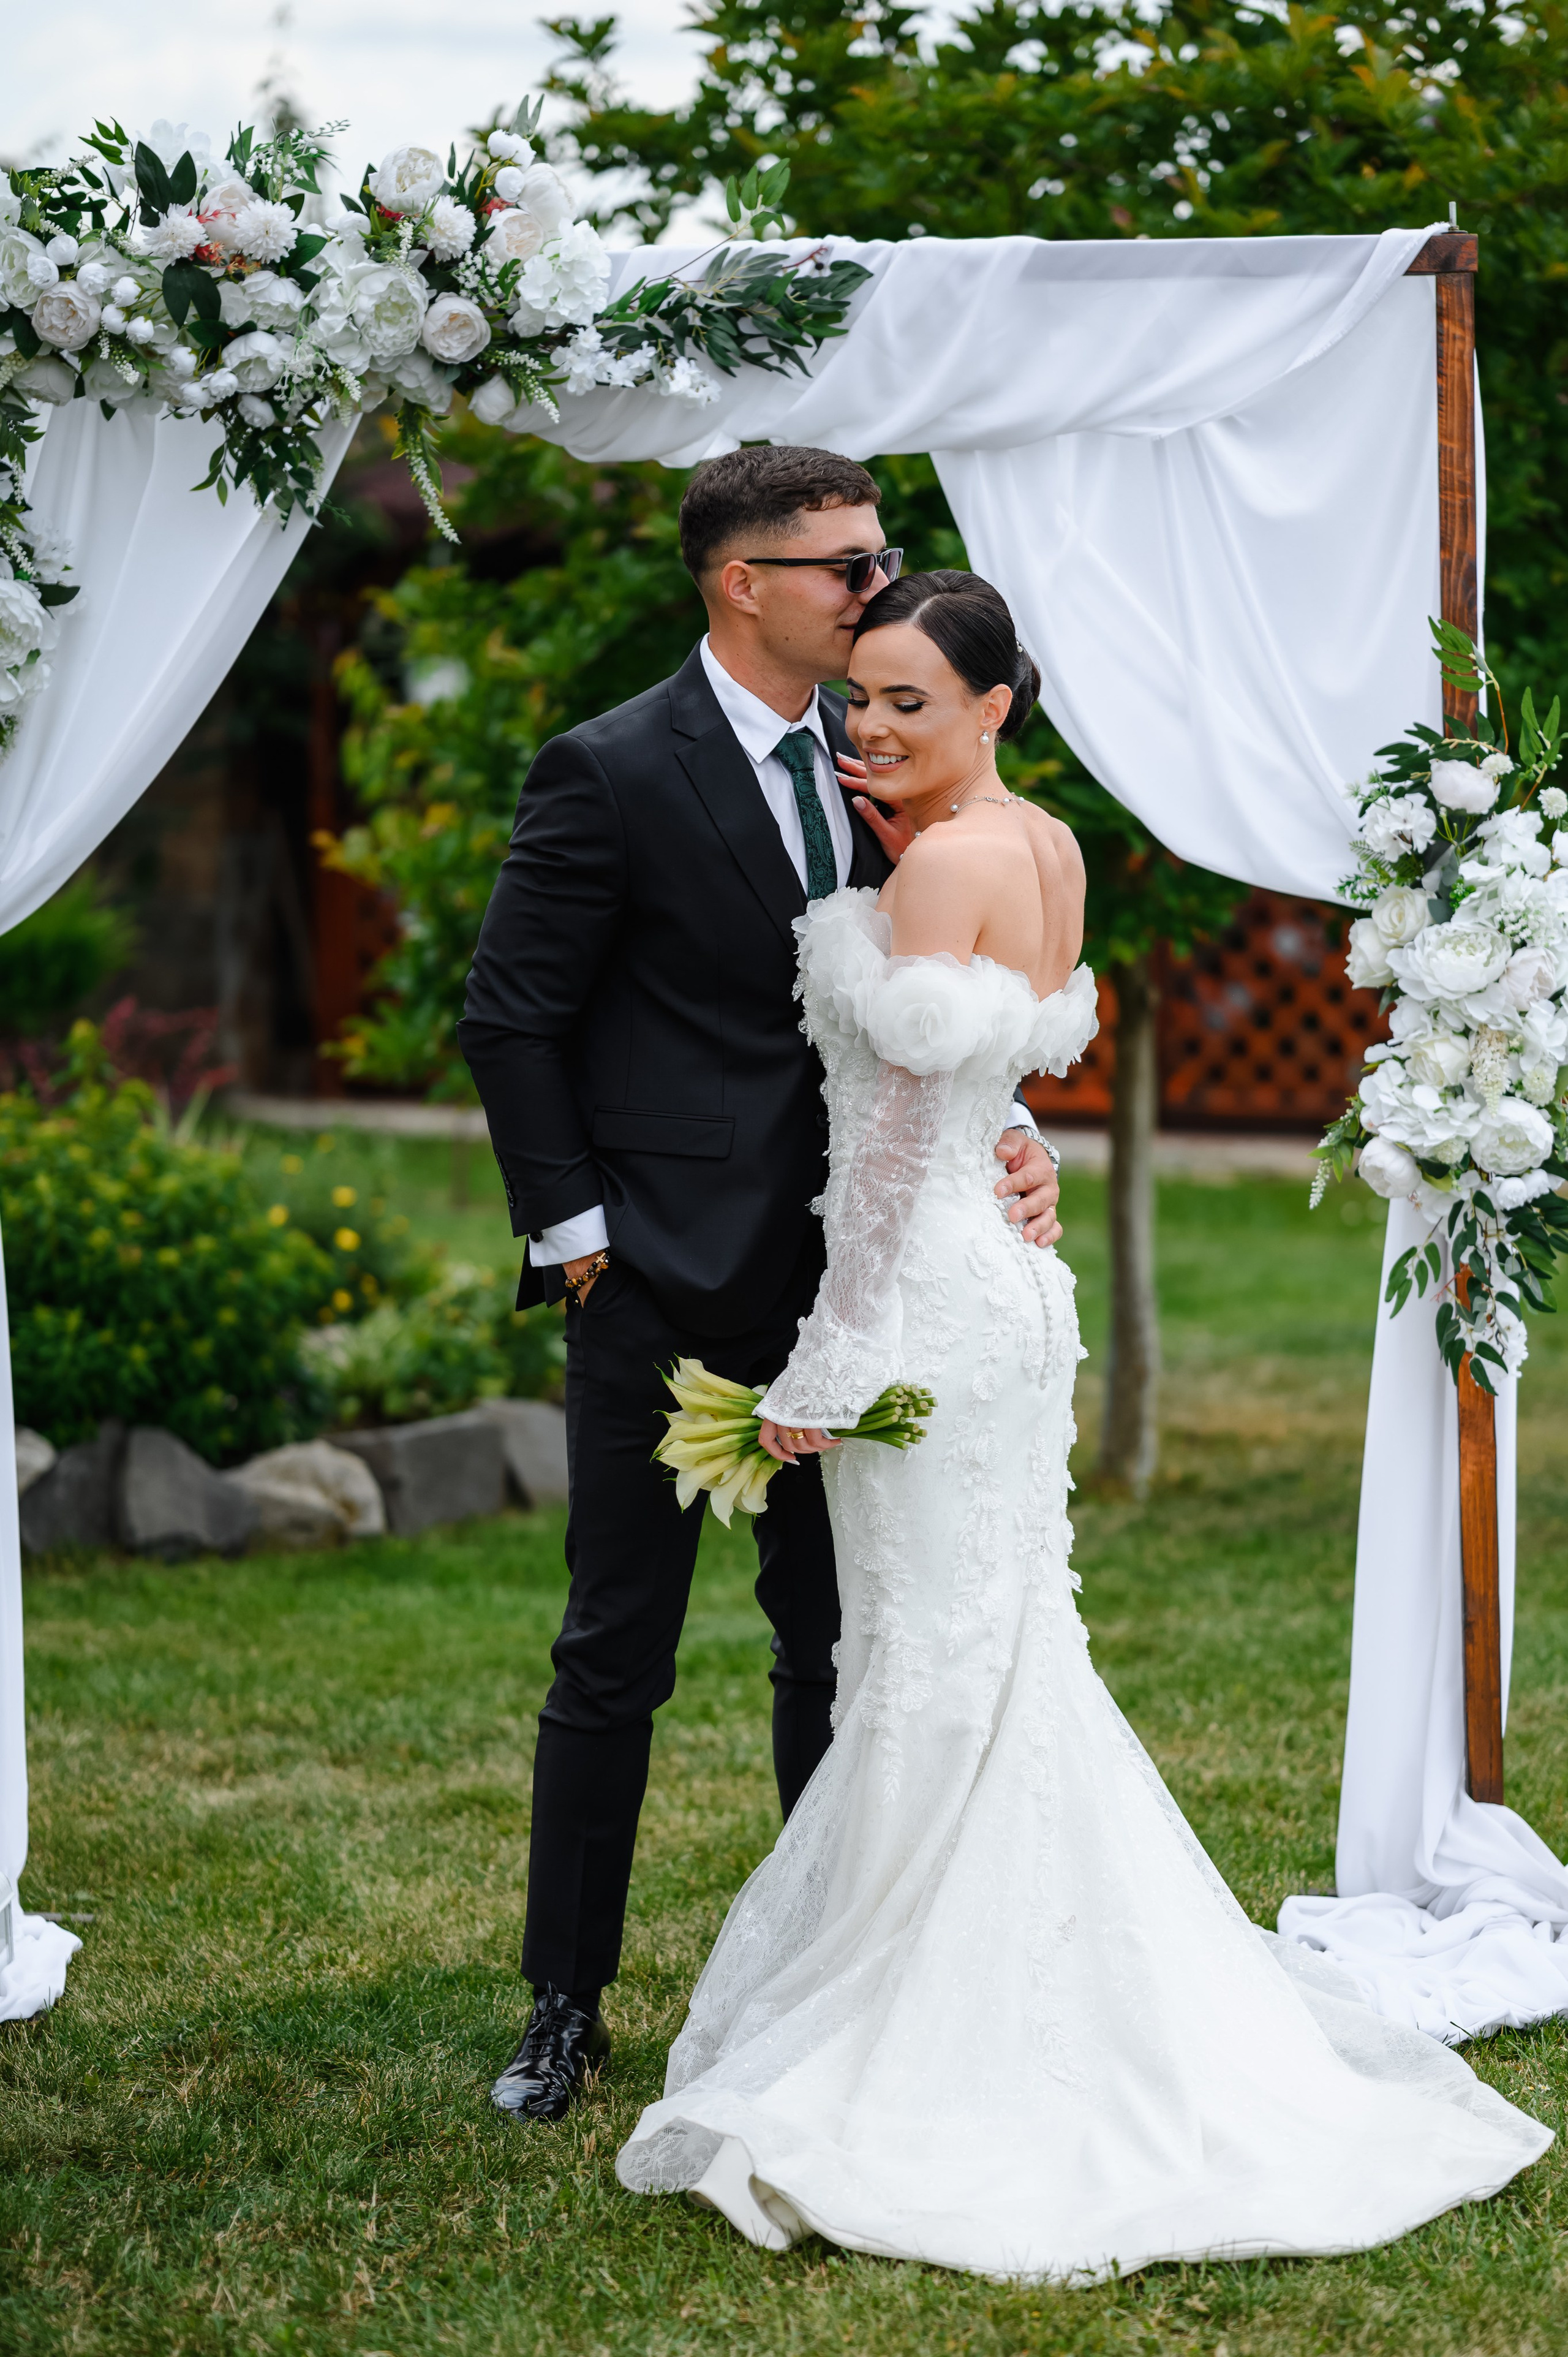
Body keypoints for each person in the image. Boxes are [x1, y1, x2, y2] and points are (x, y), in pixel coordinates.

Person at [614, 570, 1551, 2280]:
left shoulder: (939, 869)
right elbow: (986, 1096)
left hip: (924, 1303)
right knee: (992, 1649)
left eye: (911, 700)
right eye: (861, 696)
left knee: (930, 1662)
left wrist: (826, 1363)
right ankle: (1015, 1973)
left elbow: (890, 1155)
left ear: (994, 706)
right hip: (1011, 1298)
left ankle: (927, 2019)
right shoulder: (1041, 846)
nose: (872, 726)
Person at [458, 450, 1063, 2125]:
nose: (878, 586)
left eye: (880, 559)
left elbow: (939, 1007)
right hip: (658, 1281)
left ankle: (826, 1981)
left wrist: (1010, 1136)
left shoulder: (890, 758)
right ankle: (564, 2004)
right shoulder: (607, 769)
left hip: (866, 1284)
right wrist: (578, 1240)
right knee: (616, 1653)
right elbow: (511, 1014)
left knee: (841, 1643)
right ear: (745, 583)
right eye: (847, 565)